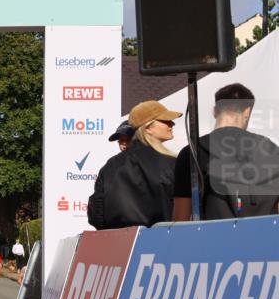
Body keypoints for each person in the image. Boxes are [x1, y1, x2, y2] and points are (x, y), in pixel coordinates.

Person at [173, 83, 279, 221]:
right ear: (247, 112)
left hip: (215, 239)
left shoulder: (193, 152)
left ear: (215, 111)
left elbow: (181, 218)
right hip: (268, 238)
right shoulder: (271, 149)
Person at [87, 100, 180, 230]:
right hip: (163, 242)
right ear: (148, 128)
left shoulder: (110, 165)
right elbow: (184, 212)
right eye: (165, 121)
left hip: (119, 245)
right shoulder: (171, 163)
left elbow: (96, 215)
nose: (172, 124)